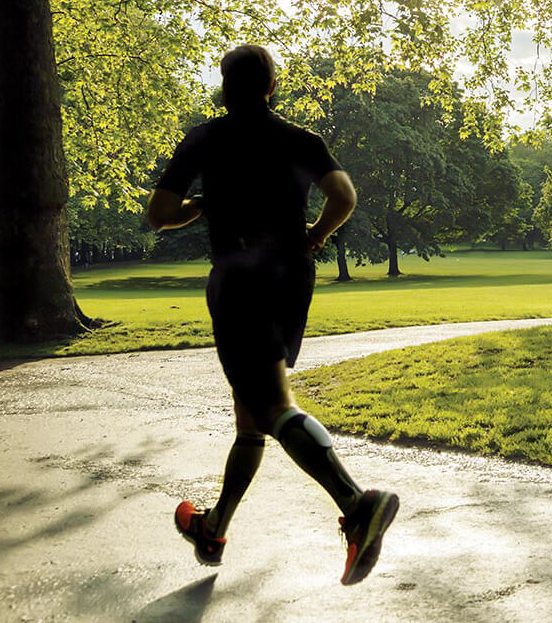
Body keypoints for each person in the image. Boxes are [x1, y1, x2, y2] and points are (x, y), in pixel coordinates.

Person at [146, 44, 398, 585]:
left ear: (224, 85)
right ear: (272, 86)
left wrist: (201, 205)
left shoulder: (207, 137)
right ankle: (214, 527)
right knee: (252, 412)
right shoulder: (299, 139)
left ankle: (358, 505)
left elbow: (160, 214)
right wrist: (316, 235)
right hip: (292, 277)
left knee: (270, 404)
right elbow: (343, 194)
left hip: (239, 279)